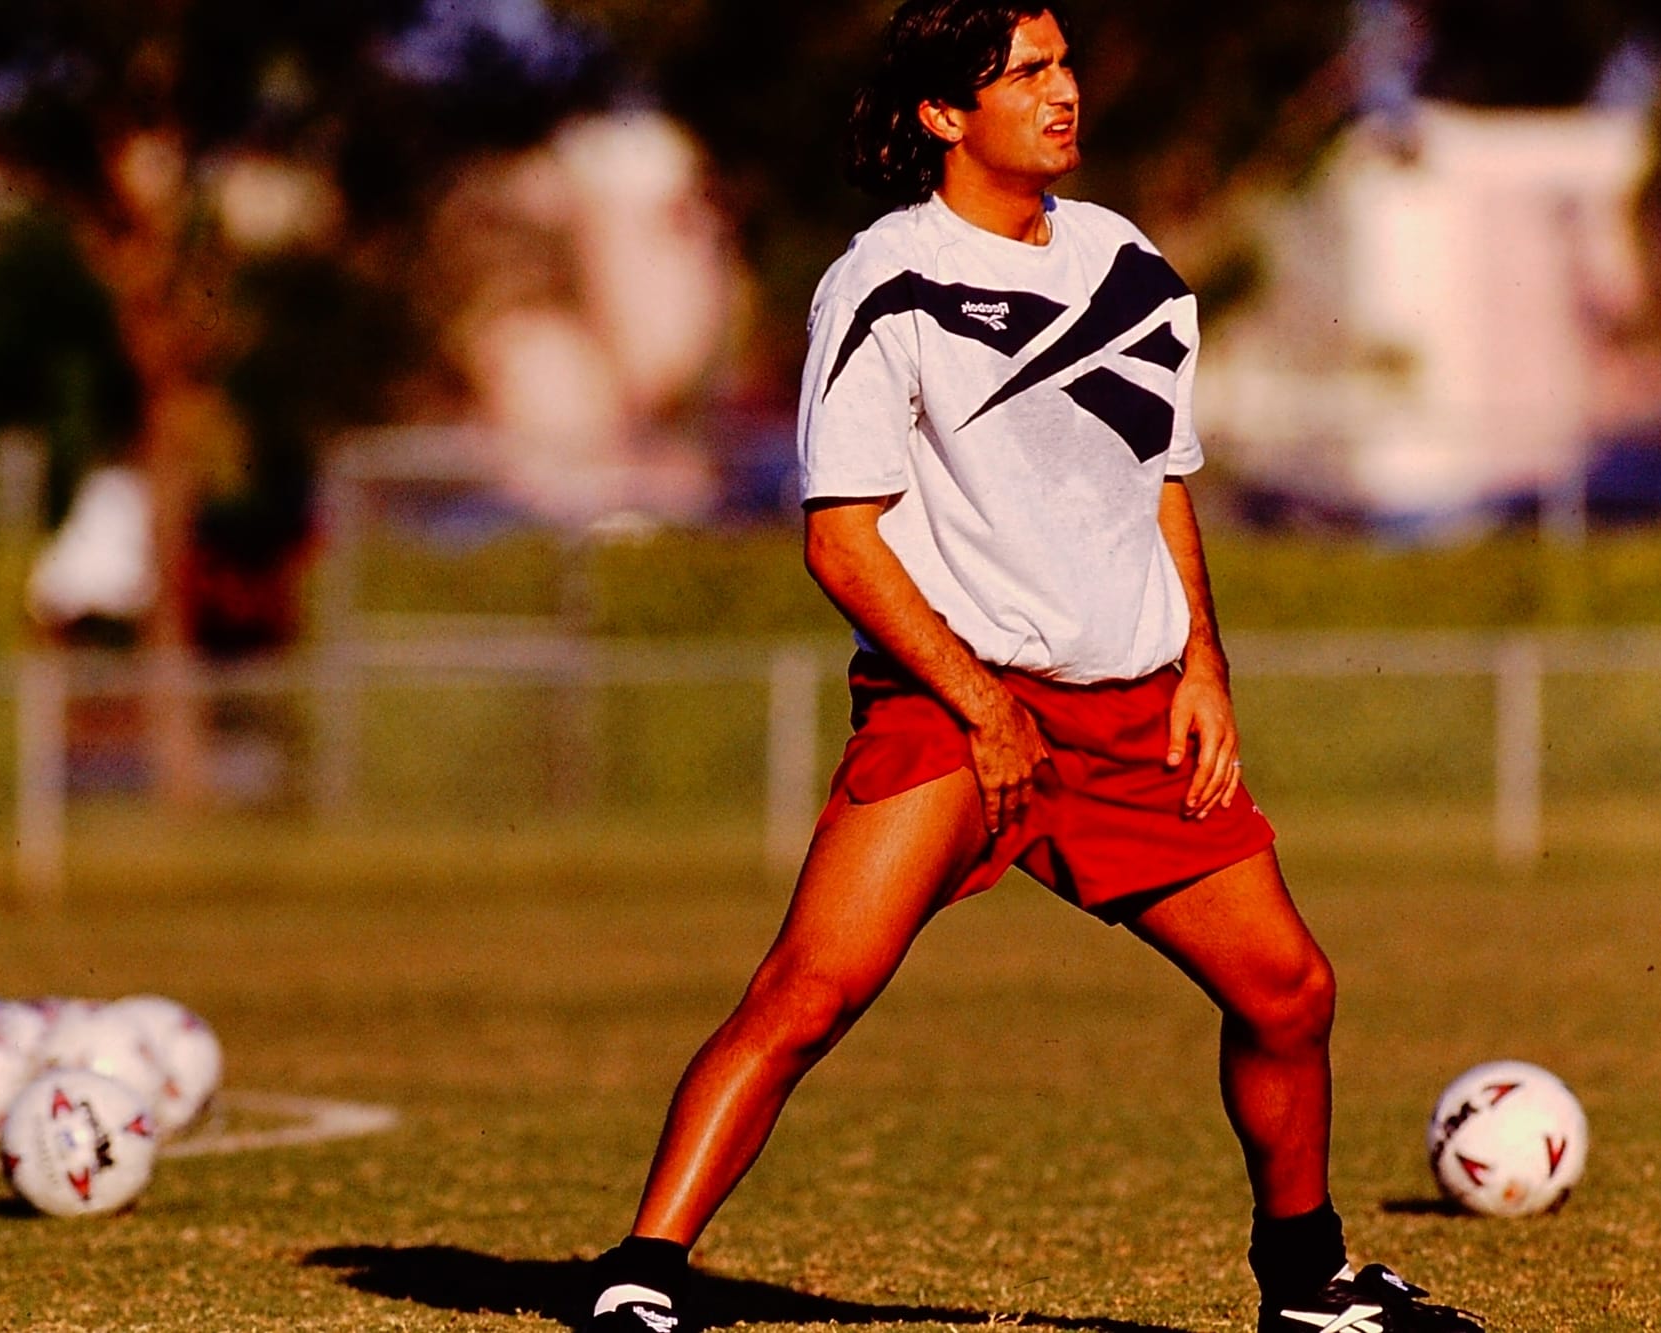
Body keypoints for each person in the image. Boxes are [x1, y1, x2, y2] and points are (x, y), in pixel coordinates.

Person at [580, 5, 1483, 1332]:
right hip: (954, 712)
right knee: (810, 993)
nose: (1064, 91)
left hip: (1130, 716)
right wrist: (981, 704)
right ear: (946, 114)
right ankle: (640, 1278)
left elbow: (1161, 485)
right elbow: (842, 541)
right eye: (1027, 73)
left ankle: (1307, 1290)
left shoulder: (1131, 267)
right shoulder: (885, 279)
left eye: (1065, 63)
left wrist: (1204, 669)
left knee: (1289, 990)